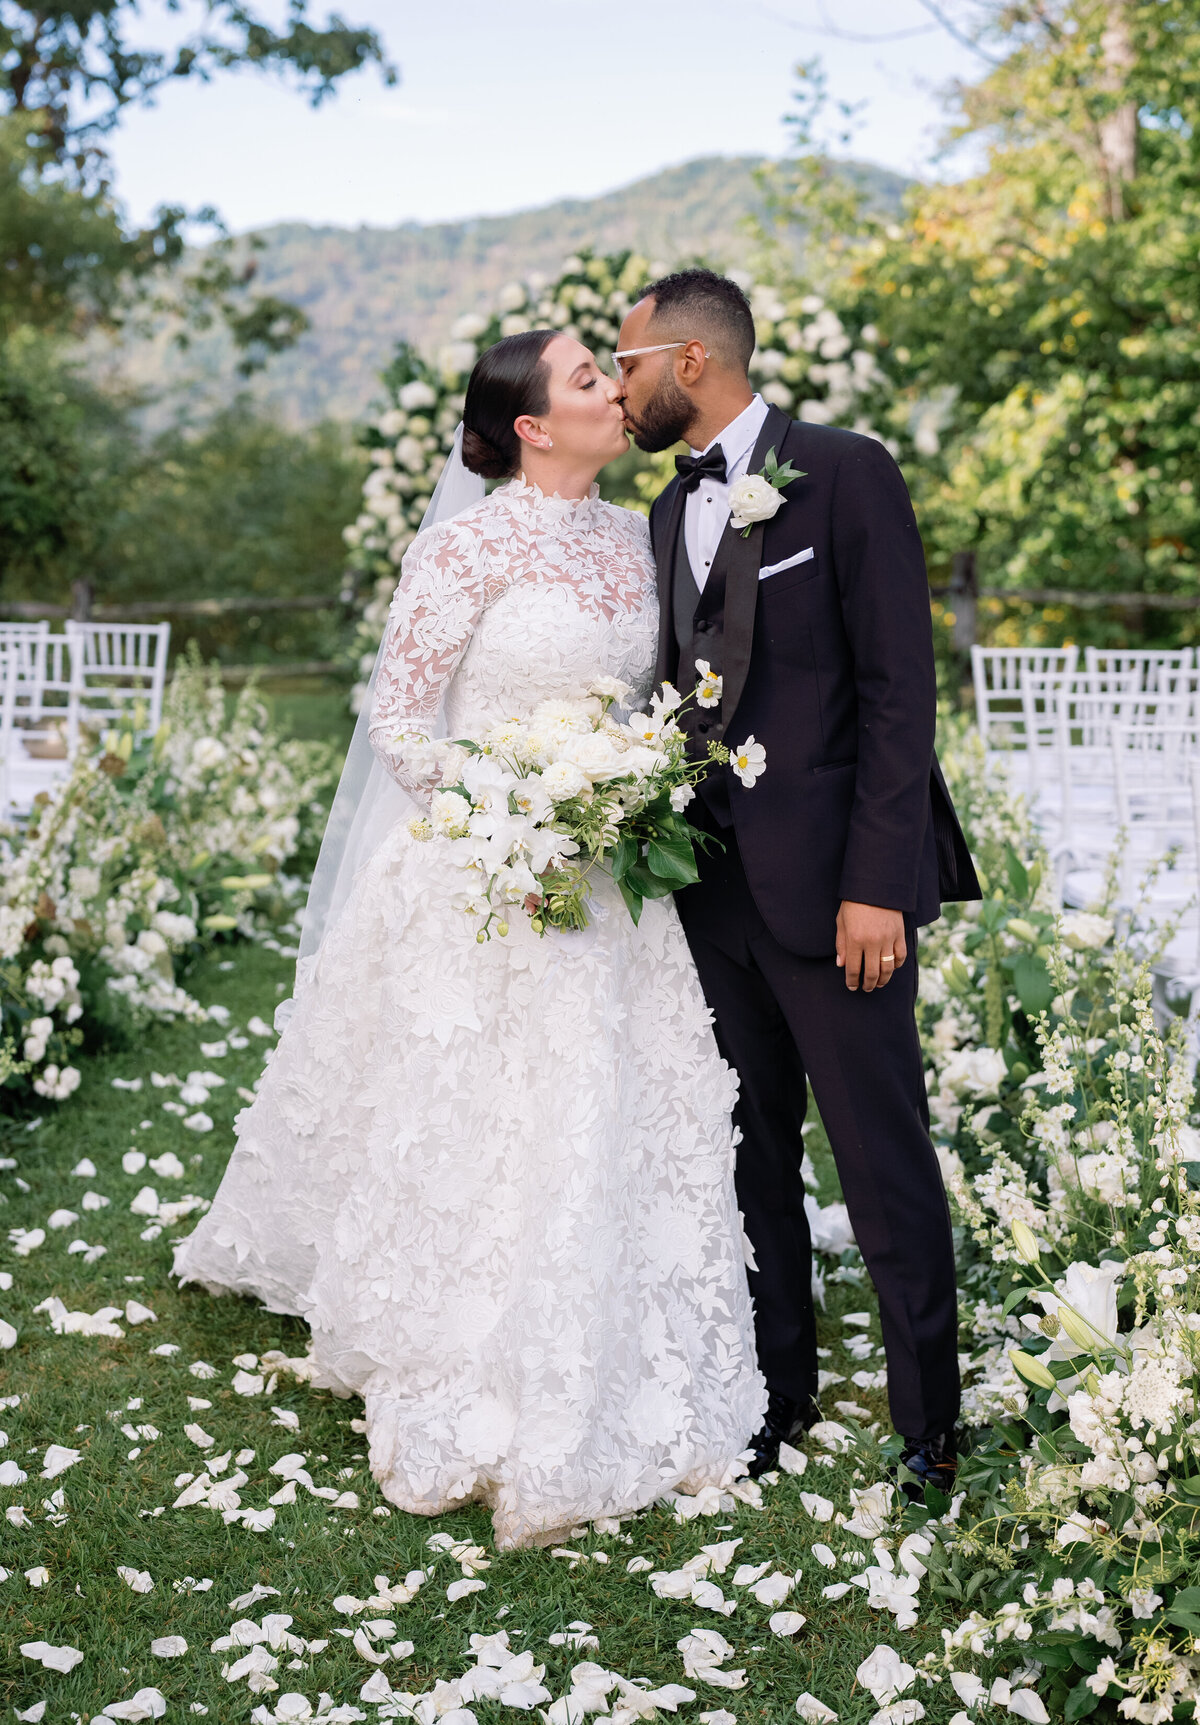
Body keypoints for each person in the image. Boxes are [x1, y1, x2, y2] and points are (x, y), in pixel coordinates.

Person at [171, 329, 766, 1549]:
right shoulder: (466, 545)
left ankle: (619, 1324)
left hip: (609, 871)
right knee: (480, 1118)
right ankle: (462, 1344)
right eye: (589, 378)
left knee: (614, 1099)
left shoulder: (633, 535)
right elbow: (400, 719)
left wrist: (614, 792)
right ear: (536, 428)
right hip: (491, 869)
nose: (618, 386)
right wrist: (510, 809)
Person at [615, 269, 981, 1493]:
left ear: (692, 363)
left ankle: (934, 1427)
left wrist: (879, 883)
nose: (621, 390)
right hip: (708, 894)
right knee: (750, 1154)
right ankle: (777, 1400)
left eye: (628, 367)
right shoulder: (668, 516)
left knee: (881, 1155)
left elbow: (897, 691)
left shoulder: (847, 470)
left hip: (836, 895)